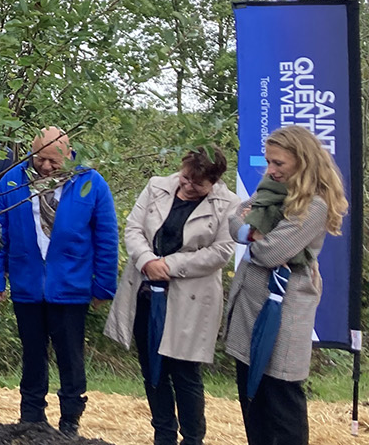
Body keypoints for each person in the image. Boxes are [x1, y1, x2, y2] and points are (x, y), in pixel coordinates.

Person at [224, 125, 348, 444]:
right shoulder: (270, 190)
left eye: (278, 163)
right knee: (253, 400)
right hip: (249, 306)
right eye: (269, 162)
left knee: (281, 402)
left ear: (302, 160)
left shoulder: (315, 204)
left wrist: (256, 236)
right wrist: (254, 234)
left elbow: (270, 253)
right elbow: (233, 218)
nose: (270, 170)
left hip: (282, 313)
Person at [103, 147, 235, 445]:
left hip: (191, 300)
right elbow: (134, 229)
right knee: (153, 368)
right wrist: (147, 260)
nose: (188, 187)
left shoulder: (228, 204)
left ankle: (192, 438)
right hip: (147, 293)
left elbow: (221, 252)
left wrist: (169, 265)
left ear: (214, 181)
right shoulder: (156, 186)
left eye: (198, 184)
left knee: (184, 372)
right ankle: (162, 435)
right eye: (186, 178)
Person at [0, 126, 118, 436]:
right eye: (40, 160)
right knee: (33, 353)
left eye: (53, 161)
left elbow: (106, 237)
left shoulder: (90, 182)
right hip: (27, 284)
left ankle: (70, 419)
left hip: (71, 287)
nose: (46, 167)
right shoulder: (11, 180)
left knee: (70, 356)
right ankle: (31, 416)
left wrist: (103, 285)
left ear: (68, 154)